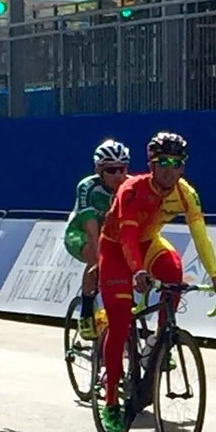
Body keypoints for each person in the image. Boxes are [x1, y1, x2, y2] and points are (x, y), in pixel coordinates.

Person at [96, 132, 216, 432]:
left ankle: (160, 339)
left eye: (178, 163)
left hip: (148, 243)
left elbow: (200, 235)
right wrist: (136, 271)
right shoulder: (132, 189)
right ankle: (111, 401)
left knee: (174, 272)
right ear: (151, 165)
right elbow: (127, 238)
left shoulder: (185, 193)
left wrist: (215, 276)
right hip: (117, 249)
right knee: (119, 321)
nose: (171, 169)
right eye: (164, 163)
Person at [65, 140, 130, 340]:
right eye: (111, 170)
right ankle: (86, 310)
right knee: (96, 257)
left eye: (122, 169)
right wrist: (100, 261)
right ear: (98, 169)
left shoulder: (129, 186)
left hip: (109, 234)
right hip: (80, 233)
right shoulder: (87, 187)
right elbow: (91, 228)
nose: (118, 175)